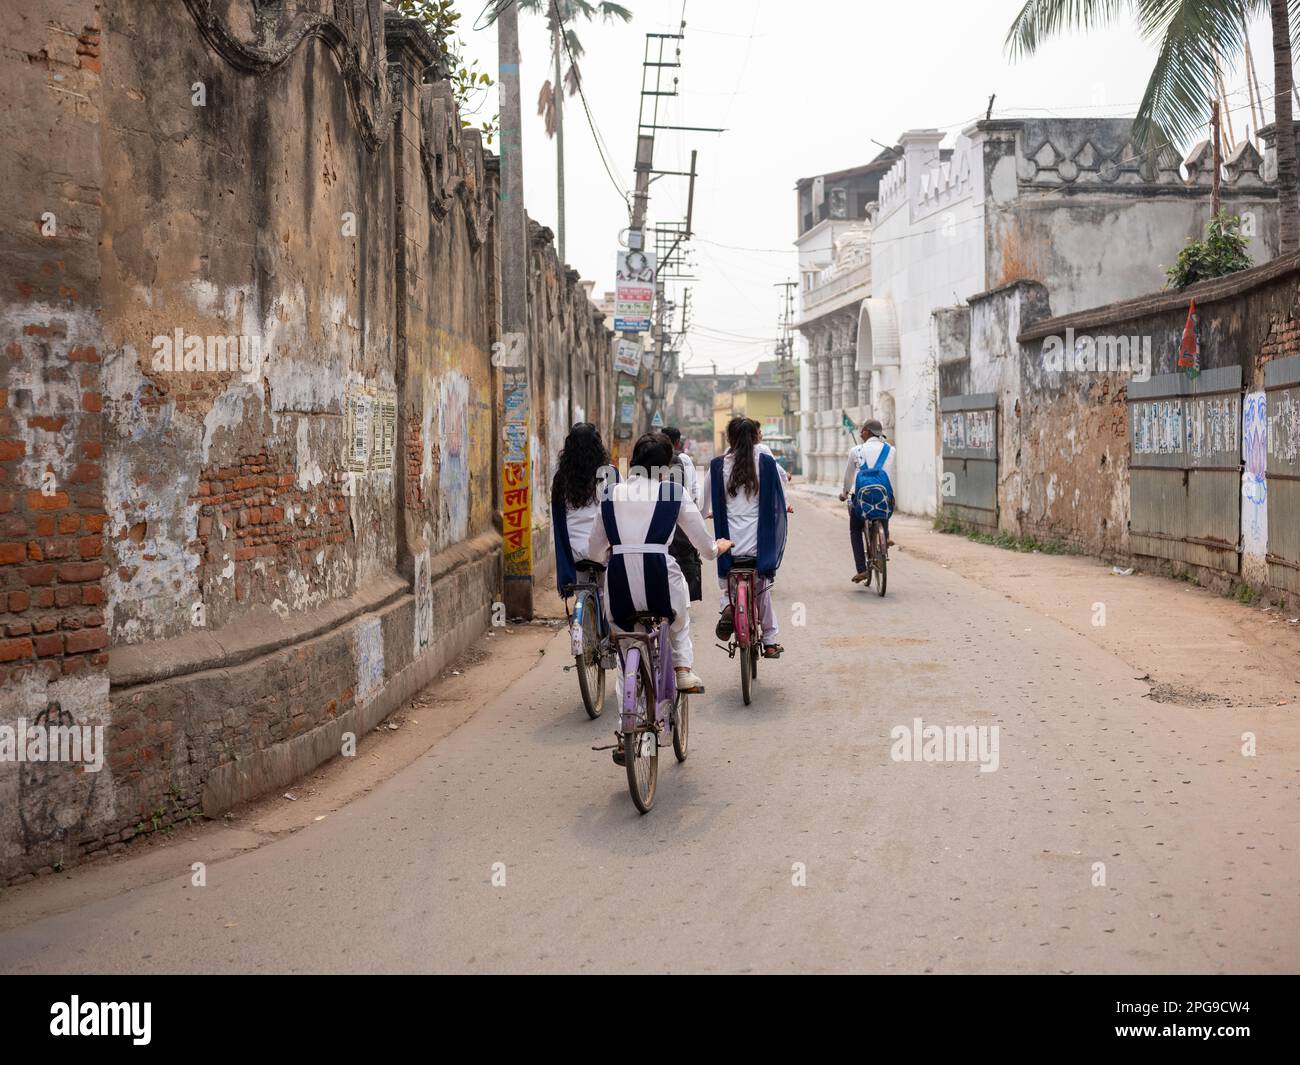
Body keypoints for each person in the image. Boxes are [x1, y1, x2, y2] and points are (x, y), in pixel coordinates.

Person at [584, 432, 732, 718]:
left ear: (634, 462)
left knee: (628, 645)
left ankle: (627, 724)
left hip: (620, 585)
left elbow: (594, 549)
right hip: (661, 583)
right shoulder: (674, 493)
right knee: (680, 617)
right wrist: (718, 547)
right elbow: (703, 544)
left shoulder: (612, 493)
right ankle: (682, 669)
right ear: (665, 467)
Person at [700, 416, 789, 658]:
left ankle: (728, 605)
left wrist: (705, 514)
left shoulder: (717, 466)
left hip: (729, 546)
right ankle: (770, 640)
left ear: (729, 439)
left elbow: (702, 504)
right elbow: (780, 498)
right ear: (755, 439)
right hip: (759, 546)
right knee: (761, 589)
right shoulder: (767, 463)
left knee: (729, 582)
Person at [551, 422, 615, 592]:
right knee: (610, 602)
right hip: (604, 552)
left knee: (582, 592)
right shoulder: (610, 474)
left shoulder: (561, 479)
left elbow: (559, 521)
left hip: (574, 553)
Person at [839, 418, 897, 583]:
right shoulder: (890, 450)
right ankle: (884, 535)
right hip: (885, 498)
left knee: (855, 529)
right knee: (883, 504)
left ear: (866, 432)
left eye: (861, 431)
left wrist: (844, 494)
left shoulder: (856, 451)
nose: (860, 434)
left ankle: (861, 569)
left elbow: (848, 477)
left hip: (862, 499)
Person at [662, 426, 702, 602]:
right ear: (677, 442)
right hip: (681, 512)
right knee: (685, 553)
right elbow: (693, 488)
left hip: (661, 514)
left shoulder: (652, 459)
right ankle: (685, 593)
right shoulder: (683, 459)